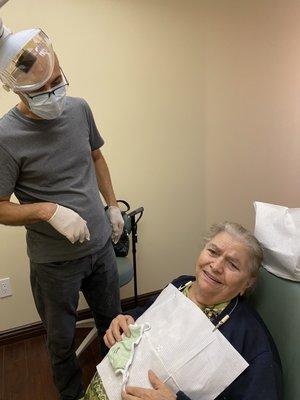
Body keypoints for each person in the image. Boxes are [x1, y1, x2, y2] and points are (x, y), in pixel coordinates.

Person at [0, 27, 124, 400]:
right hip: (55, 264)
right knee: (61, 342)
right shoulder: (6, 137)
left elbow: (96, 156)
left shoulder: (79, 108)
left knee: (114, 325)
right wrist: (47, 211)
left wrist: (113, 205)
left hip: (100, 248)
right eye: (42, 89)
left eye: (57, 80)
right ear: (17, 89)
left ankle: (116, 386)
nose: (54, 93)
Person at [84, 222, 283, 400]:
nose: (216, 266)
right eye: (213, 252)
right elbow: (149, 314)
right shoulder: (182, 284)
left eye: (232, 264)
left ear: (247, 284)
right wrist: (126, 319)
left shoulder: (250, 341)